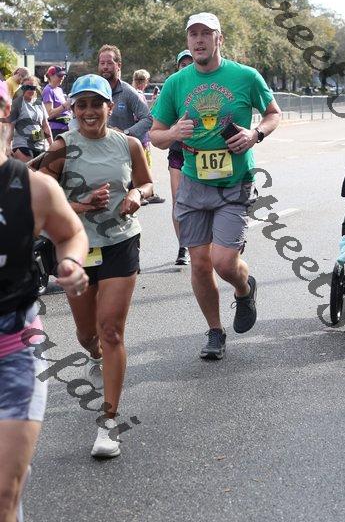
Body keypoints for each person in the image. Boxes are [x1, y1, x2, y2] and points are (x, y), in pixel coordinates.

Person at [150, 12, 281, 360]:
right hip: (193, 183)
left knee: (223, 261)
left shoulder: (245, 76)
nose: (199, 40)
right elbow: (155, 135)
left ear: (219, 39)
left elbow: (273, 113)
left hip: (234, 183)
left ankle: (244, 288)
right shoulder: (176, 83)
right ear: (188, 41)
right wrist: (173, 133)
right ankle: (215, 331)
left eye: (206, 34)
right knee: (199, 263)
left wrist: (255, 134)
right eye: (193, 34)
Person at [40, 74, 153, 458]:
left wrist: (136, 195)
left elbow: (147, 184)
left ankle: (109, 423)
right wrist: (79, 205)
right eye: (81, 105)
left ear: (110, 107)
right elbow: (42, 194)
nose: (89, 111)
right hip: (78, 247)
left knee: (111, 331)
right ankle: (94, 355)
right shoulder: (61, 147)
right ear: (73, 109)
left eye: (96, 104)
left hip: (121, 243)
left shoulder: (128, 144)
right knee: (88, 335)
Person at [0, 80, 89, 522]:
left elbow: (70, 232)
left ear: (6, 118)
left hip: (13, 351)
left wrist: (70, 262)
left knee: (3, 492)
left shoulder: (32, 188)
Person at [168, 50, 193, 266]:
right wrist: (174, 128)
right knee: (178, 200)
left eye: (189, 63)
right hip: (178, 152)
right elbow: (158, 123)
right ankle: (182, 246)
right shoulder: (172, 88)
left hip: (201, 152)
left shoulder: (207, 86)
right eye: (182, 64)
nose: (186, 67)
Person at [132, 69, 165, 205]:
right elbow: (143, 116)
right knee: (145, 165)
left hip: (138, 136)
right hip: (140, 137)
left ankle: (143, 193)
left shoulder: (133, 93)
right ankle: (145, 194)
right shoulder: (138, 95)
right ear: (145, 81)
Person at [7, 76, 53, 162]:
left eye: (33, 88)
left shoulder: (39, 103)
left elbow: (46, 126)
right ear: (22, 88)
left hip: (40, 145)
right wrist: (8, 146)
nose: (30, 90)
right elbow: (10, 127)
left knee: (41, 170)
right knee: (27, 170)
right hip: (23, 145)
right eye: (27, 87)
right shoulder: (17, 104)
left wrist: (52, 145)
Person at [42, 65, 72, 137]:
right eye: (59, 76)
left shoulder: (59, 89)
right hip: (55, 129)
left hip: (66, 126)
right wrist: (65, 105)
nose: (62, 78)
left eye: (63, 76)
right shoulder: (48, 90)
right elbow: (49, 114)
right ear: (51, 76)